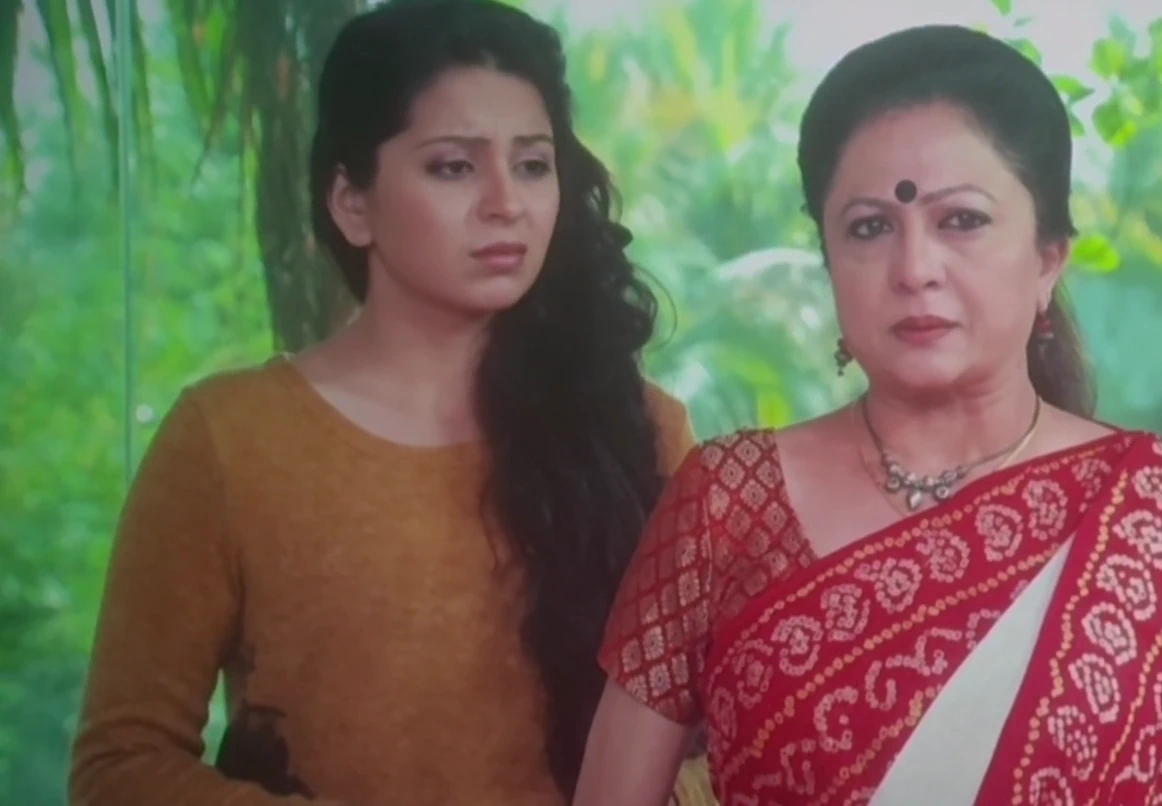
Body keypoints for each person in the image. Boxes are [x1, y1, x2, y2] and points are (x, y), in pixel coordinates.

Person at [574, 24, 1162, 806]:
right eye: (869, 227)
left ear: (1049, 257)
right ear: (828, 262)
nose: (914, 267)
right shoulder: (726, 501)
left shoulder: (1161, 518)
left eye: (961, 221)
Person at [67, 2, 703, 804]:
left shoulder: (642, 431)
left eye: (533, 165)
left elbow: (732, 738)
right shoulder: (229, 441)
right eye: (454, 167)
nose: (506, 202)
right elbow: (120, 765)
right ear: (351, 202)